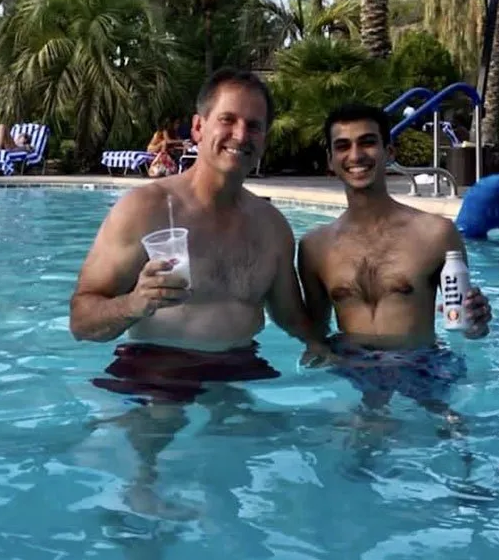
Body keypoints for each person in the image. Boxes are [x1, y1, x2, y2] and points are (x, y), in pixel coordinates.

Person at [70, 68, 327, 404]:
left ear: (264, 137)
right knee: (149, 443)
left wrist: (319, 343)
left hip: (240, 364)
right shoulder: (145, 209)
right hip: (156, 369)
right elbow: (81, 320)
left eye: (254, 125)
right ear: (198, 127)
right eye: (228, 119)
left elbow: (288, 313)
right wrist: (134, 304)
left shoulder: (272, 226)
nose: (240, 134)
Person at [297, 103, 492, 411]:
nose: (356, 155)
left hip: (424, 365)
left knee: (456, 446)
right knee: (354, 450)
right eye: (343, 146)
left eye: (368, 142)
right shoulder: (314, 247)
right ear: (331, 161)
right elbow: (317, 333)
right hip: (354, 366)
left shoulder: (436, 234)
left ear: (389, 152)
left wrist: (477, 322)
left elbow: (467, 325)